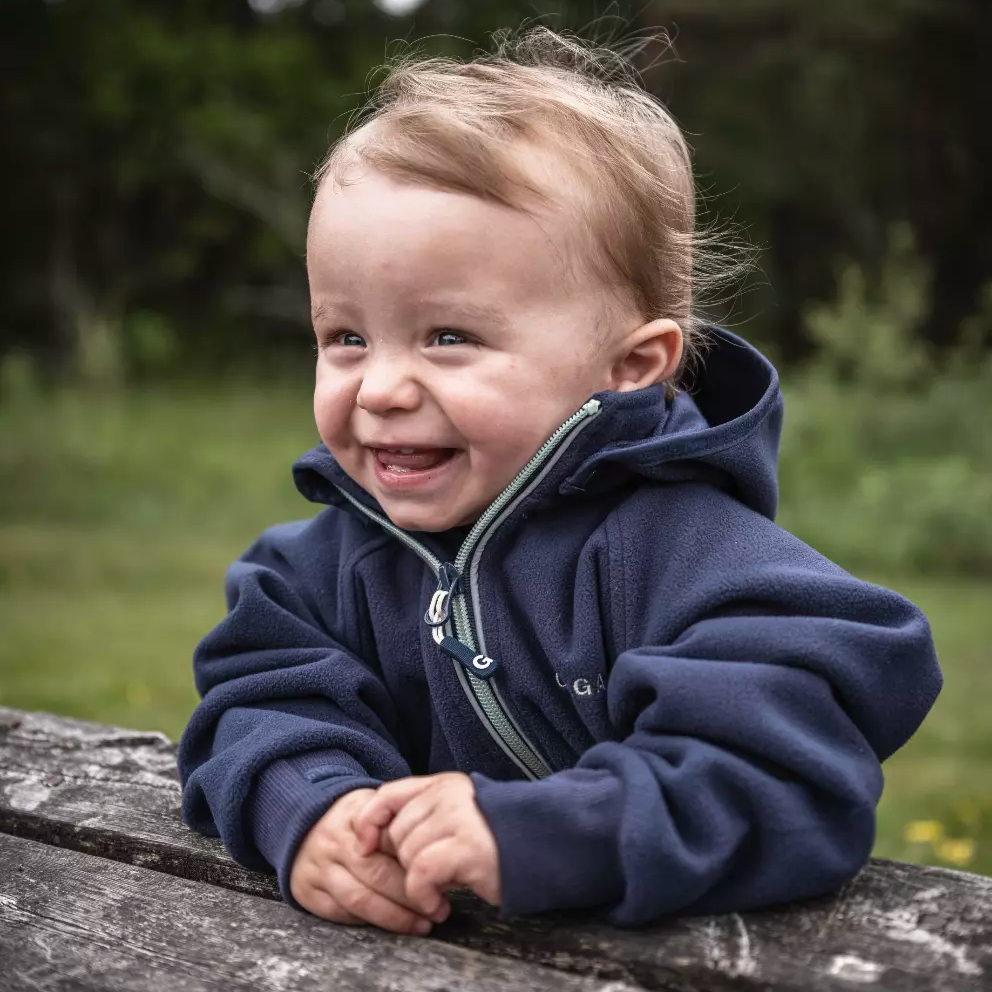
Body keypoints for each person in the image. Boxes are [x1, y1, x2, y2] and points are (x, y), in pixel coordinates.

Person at [177, 26, 941, 937]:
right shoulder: (317, 571)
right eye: (346, 336)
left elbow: (783, 776)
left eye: (447, 336)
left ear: (632, 365)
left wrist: (541, 833)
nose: (379, 387)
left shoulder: (688, 556)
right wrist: (311, 810)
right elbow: (259, 702)